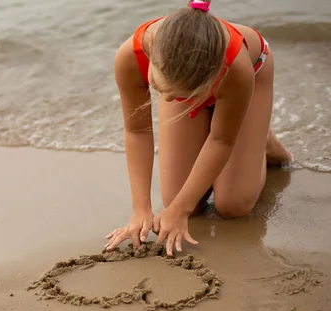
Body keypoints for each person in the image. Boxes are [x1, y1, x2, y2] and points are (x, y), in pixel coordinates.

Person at [104, 0, 292, 256]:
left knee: (233, 205)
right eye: (160, 90)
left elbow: (220, 140)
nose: (167, 101)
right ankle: (244, 130)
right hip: (189, 80)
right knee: (178, 201)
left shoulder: (235, 67)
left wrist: (178, 212)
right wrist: (142, 209)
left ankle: (263, 139)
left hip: (252, 70)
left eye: (176, 94)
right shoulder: (130, 55)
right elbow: (137, 131)